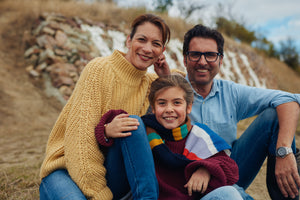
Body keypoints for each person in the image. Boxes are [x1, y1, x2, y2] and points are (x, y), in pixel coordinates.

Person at [39, 13, 171, 200]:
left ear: (162, 51)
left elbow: (184, 91)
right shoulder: (99, 70)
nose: (147, 49)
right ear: (128, 40)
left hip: (109, 173)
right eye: (142, 39)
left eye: (156, 44)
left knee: (132, 124)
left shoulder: (152, 82)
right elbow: (80, 143)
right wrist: (99, 195)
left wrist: (166, 78)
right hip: (65, 170)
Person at [175, 24, 300, 199]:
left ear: (220, 60)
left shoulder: (231, 92)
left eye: (210, 55)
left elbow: (290, 101)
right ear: (185, 59)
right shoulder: (173, 94)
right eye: (195, 54)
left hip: (229, 171)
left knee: (273, 116)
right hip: (189, 180)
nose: (202, 61)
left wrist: (284, 151)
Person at [96, 74, 249, 200]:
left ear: (188, 107)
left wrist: (205, 169)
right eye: (162, 103)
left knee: (230, 194)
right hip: (145, 195)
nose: (169, 109)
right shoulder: (144, 131)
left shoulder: (199, 134)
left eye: (177, 103)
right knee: (132, 123)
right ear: (153, 108)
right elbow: (115, 122)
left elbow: (230, 169)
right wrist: (106, 131)